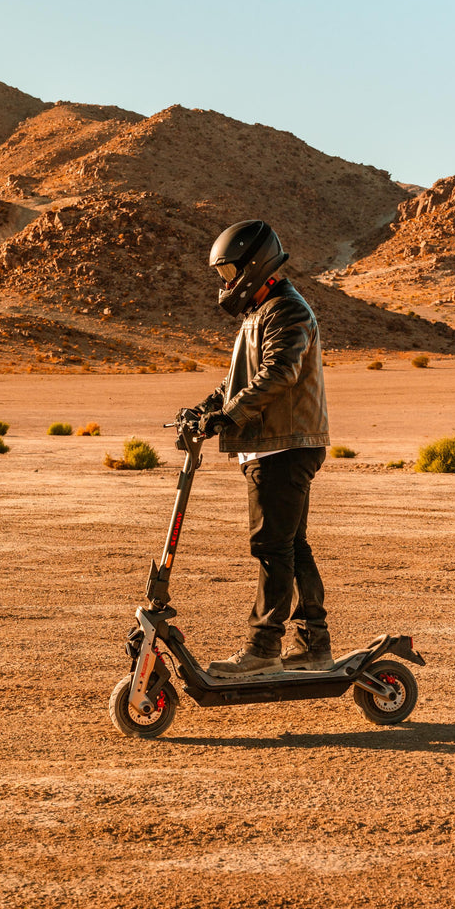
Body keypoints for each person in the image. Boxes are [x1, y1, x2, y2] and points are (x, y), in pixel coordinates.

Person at [184, 220, 332, 677]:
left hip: (284, 446)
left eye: (230, 273)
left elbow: (279, 372)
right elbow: (239, 380)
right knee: (292, 546)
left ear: (254, 265)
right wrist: (207, 407)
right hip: (278, 444)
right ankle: (313, 645)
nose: (227, 284)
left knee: (271, 547)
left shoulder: (287, 310)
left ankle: (264, 648)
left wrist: (231, 416)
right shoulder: (261, 312)